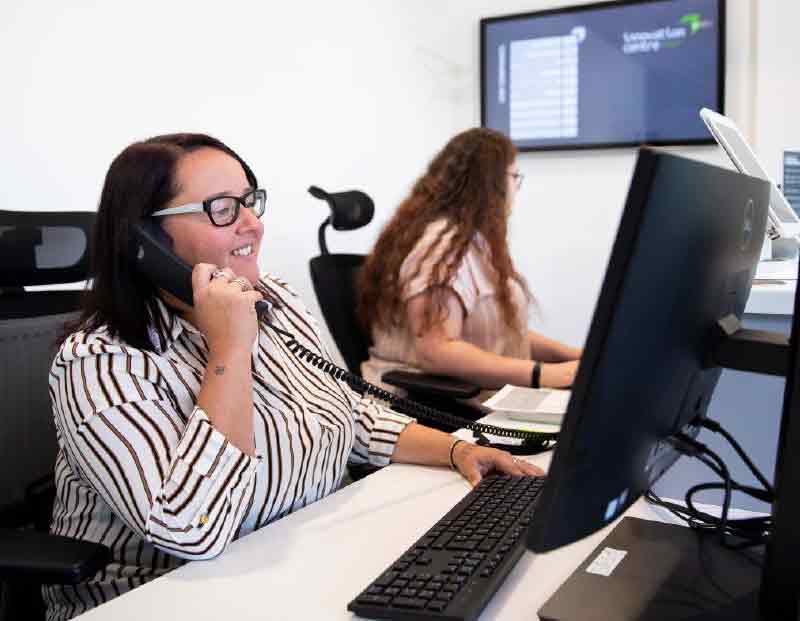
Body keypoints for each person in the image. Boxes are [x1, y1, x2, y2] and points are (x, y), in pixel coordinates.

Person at [45, 133, 542, 620]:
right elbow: (189, 530)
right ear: (145, 240)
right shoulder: (100, 363)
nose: (251, 225)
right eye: (221, 208)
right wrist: (231, 350)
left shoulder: (274, 302)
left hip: (298, 567)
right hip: (161, 599)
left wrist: (458, 449)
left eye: (249, 202)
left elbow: (351, 415)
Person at [359, 128, 581, 399]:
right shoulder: (440, 248)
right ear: (491, 184)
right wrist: (541, 374)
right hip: (429, 409)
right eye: (514, 177)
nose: (516, 187)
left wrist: (572, 357)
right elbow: (437, 352)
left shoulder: (472, 244)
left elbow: (502, 332)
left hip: (477, 400)